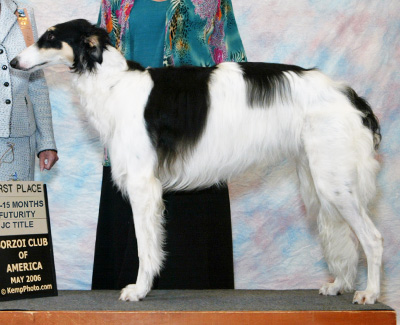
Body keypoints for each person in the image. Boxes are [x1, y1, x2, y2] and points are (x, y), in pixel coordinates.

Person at [92, 0, 247, 290]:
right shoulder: (114, 2)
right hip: (131, 141)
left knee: (194, 268)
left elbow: (232, 61)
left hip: (195, 140)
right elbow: (96, 64)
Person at [0, 0, 58, 181]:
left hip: (19, 140)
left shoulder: (22, 13)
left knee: (15, 208)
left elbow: (36, 80)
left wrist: (46, 142)